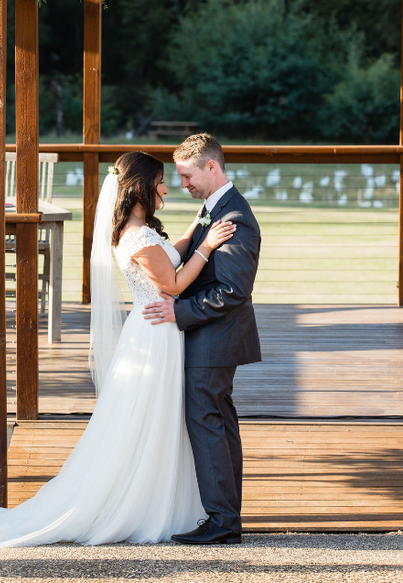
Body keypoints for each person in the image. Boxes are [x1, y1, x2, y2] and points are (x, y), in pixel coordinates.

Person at [0, 151, 236, 555]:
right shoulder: (137, 237)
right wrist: (208, 245)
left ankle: (159, 498)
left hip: (157, 331)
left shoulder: (141, 231)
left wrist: (196, 228)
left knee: (156, 422)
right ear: (141, 186)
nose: (166, 187)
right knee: (146, 421)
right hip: (155, 337)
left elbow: (170, 255)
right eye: (161, 180)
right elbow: (175, 283)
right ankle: (136, 504)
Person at [143, 134, 261, 545]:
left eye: (187, 175)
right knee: (220, 425)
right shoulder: (214, 211)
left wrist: (179, 312)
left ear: (211, 167)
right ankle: (226, 516)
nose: (183, 184)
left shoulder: (235, 218)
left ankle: (222, 521)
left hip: (216, 338)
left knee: (206, 423)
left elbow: (232, 290)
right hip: (213, 337)